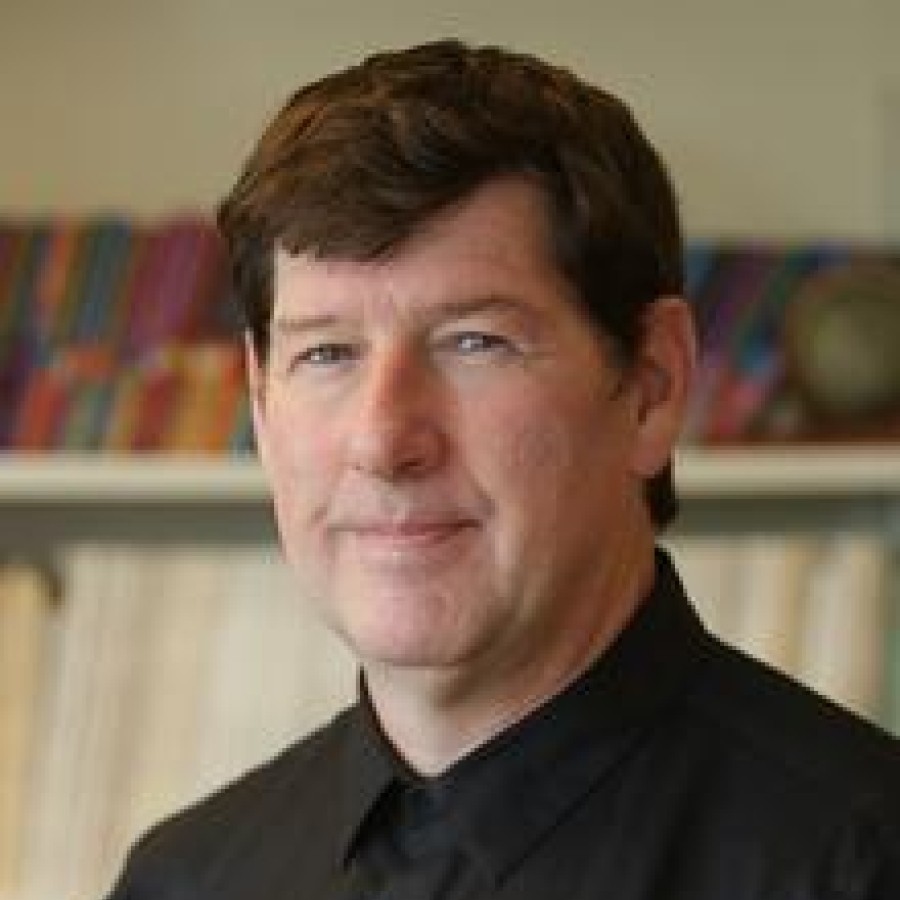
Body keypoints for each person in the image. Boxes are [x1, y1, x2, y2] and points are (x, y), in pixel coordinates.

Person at [105, 39, 900, 899]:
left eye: (474, 342)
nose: (384, 440)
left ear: (652, 385)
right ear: (261, 406)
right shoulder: (182, 880)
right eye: (328, 353)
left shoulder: (863, 861)